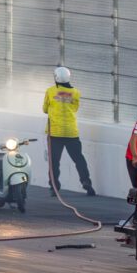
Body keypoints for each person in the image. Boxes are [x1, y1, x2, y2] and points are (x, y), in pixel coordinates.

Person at [43, 66, 95, 196]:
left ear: (56, 78)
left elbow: (44, 109)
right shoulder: (76, 93)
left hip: (55, 133)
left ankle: (54, 187)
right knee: (78, 159)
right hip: (72, 132)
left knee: (54, 161)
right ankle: (86, 182)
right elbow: (75, 109)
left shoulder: (50, 91)